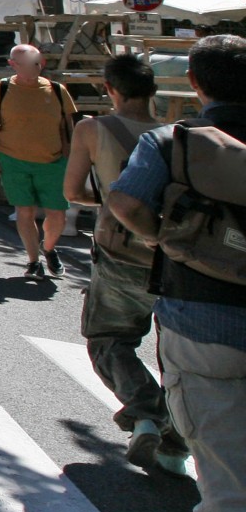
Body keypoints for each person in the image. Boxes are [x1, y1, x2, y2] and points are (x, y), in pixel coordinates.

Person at [107, 33, 246, 512]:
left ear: (195, 83)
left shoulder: (173, 140)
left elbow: (125, 203)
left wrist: (167, 240)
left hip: (201, 319)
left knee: (225, 477)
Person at [63, 54, 187, 475]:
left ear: (110, 89)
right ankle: (176, 444)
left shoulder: (92, 129)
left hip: (118, 251)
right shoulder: (177, 135)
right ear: (154, 92)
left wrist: (115, 200)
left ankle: (145, 412)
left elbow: (74, 191)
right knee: (173, 353)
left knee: (108, 340)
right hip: (170, 255)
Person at [0, 44, 79, 280]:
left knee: (58, 216)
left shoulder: (56, 90)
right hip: (13, 160)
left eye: (35, 63)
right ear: (13, 65)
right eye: (25, 64)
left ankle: (49, 248)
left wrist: (72, 158)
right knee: (25, 211)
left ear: (41, 63)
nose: (32, 68)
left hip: (53, 162)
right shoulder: (0, 88)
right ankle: (33, 259)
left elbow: (70, 126)